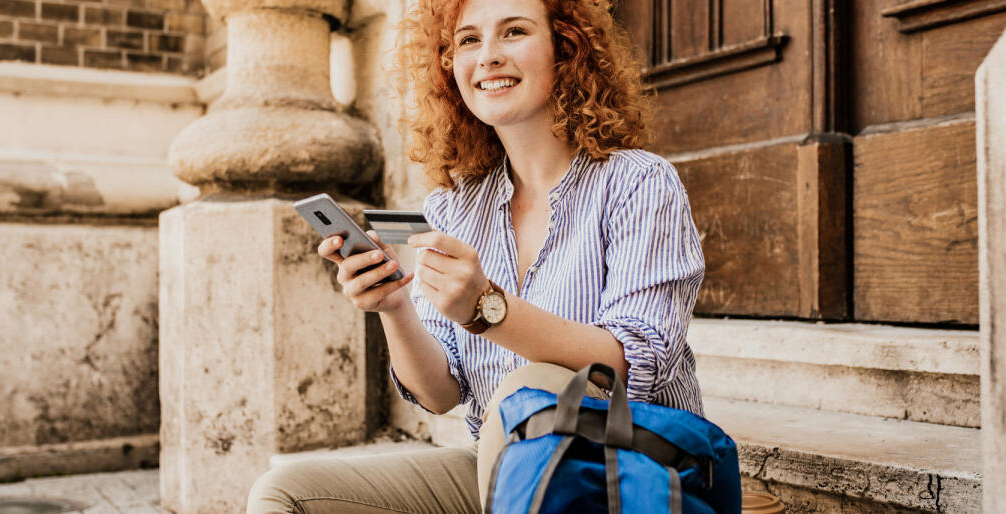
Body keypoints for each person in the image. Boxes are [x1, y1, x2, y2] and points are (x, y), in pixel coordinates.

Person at [248, 0, 704, 511]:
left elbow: (632, 365)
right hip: (503, 473)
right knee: (287, 495)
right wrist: (394, 306)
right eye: (468, 40)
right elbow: (440, 394)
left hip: (627, 473)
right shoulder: (455, 207)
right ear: (450, 67)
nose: (487, 56)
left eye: (513, 32)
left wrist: (487, 308)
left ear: (566, 48)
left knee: (537, 386)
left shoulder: (638, 183)